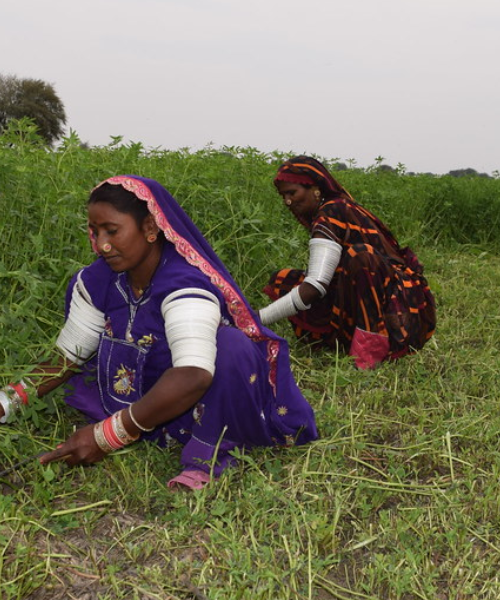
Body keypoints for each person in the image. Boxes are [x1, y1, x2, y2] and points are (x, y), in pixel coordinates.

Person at [0, 175, 318, 489]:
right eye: (95, 232)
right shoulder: (98, 279)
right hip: (146, 398)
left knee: (231, 345)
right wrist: (7, 401)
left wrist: (106, 436)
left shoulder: (185, 283)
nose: (102, 245)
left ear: (150, 228)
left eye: (112, 231)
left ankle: (208, 456)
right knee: (79, 382)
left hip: (198, 401)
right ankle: (139, 421)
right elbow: (68, 356)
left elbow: (194, 375)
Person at [259, 156, 436, 369]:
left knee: (360, 257)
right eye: (283, 195)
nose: (288, 201)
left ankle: (370, 348)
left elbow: (316, 285)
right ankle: (337, 341)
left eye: (293, 193)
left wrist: (257, 318)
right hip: (383, 291)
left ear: (315, 188)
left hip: (400, 307)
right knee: (283, 280)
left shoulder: (331, 214)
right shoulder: (335, 209)